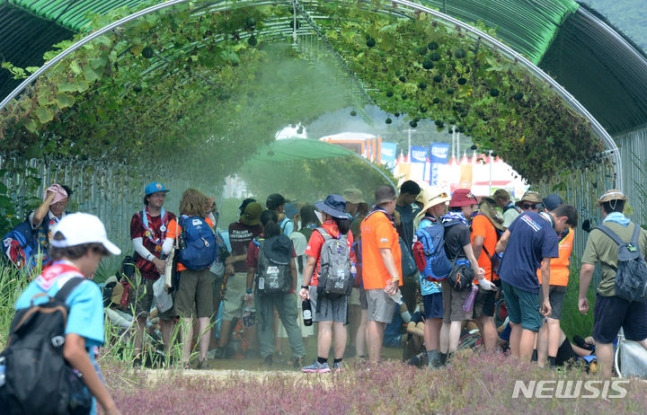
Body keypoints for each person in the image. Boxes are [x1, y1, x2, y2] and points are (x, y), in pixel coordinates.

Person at [15, 213, 122, 415]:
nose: (98, 263)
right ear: (90, 250)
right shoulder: (85, 290)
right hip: (66, 399)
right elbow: (73, 350)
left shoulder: (36, 286)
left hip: (25, 395)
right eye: (100, 255)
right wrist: (109, 406)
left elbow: (15, 343)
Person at [496, 201, 577, 361]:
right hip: (525, 280)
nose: (563, 231)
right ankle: (524, 369)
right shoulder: (550, 234)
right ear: (562, 219)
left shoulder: (525, 215)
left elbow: (503, 240)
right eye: (565, 227)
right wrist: (545, 299)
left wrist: (505, 250)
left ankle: (514, 362)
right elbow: (545, 268)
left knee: (515, 322)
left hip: (506, 274)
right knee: (531, 325)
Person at [578, 189, 647, 377]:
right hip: (637, 294)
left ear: (602, 209)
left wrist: (582, 296)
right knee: (642, 336)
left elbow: (587, 268)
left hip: (611, 294)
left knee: (603, 339)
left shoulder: (597, 234)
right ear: (624, 207)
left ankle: (604, 385)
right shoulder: (640, 232)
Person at [300, 194, 355, 372]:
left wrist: (304, 286)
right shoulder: (348, 234)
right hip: (342, 283)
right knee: (339, 323)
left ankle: (322, 363)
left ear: (326, 213)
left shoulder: (319, 233)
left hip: (321, 283)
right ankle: (338, 363)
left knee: (325, 324)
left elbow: (310, 262)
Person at [245, 210, 306, 368]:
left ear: (261, 224)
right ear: (277, 223)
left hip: (263, 289)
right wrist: (292, 288)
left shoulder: (256, 243)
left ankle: (267, 357)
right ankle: (299, 356)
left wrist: (249, 290)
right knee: (290, 322)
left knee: (265, 322)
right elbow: (292, 267)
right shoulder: (286, 241)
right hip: (284, 288)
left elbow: (251, 269)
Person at [163, 188, 215, 369]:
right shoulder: (206, 222)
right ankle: (203, 359)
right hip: (205, 271)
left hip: (185, 271)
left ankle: (184, 360)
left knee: (185, 316)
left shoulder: (176, 222)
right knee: (204, 316)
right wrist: (208, 210)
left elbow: (165, 249)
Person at [438, 189, 489, 363]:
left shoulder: (442, 224)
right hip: (461, 275)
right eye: (472, 206)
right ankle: (452, 358)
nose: (473, 210)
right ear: (463, 206)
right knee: (457, 318)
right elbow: (470, 255)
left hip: (446, 274)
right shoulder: (462, 228)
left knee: (446, 318)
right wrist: (478, 272)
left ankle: (442, 356)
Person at [130, 181, 177, 364]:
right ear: (148, 198)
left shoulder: (171, 217)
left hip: (165, 274)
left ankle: (169, 355)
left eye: (163, 195)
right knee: (140, 316)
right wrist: (154, 260)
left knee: (167, 317)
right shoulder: (138, 217)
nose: (160, 198)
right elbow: (137, 244)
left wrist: (164, 262)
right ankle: (136, 355)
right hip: (143, 272)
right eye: (157, 195)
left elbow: (173, 241)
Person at [214, 199, 264, 358]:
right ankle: (251, 350)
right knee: (250, 311)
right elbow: (255, 252)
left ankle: (221, 349)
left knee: (229, 312)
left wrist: (233, 260)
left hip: (235, 275)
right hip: (251, 274)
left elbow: (236, 251)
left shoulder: (232, 227)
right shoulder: (258, 229)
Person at [360, 185, 402, 363]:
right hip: (382, 278)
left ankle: (373, 361)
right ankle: (374, 363)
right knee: (378, 321)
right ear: (391, 201)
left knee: (375, 319)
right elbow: (385, 251)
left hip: (371, 277)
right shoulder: (382, 221)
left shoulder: (367, 219)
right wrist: (394, 277)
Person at [535, 194, 574, 368]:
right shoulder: (570, 230)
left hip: (542, 276)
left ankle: (539, 361)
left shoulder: (544, 227)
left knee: (541, 320)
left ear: (546, 210)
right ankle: (552, 360)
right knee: (554, 320)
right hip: (561, 278)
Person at [414, 186, 450, 368]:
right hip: (436, 282)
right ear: (431, 207)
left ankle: (432, 358)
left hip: (427, 280)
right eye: (440, 204)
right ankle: (435, 359)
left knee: (432, 319)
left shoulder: (423, 225)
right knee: (435, 320)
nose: (444, 206)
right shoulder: (433, 227)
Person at [470, 196, 505, 352]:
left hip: (483, 275)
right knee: (481, 316)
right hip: (491, 275)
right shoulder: (492, 223)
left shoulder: (479, 220)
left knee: (486, 318)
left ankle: (490, 356)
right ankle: (488, 350)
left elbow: (478, 243)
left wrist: (473, 265)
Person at [343, 188, 370, 359]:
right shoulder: (364, 219)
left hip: (358, 271)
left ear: (354, 204)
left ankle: (353, 344)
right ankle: (355, 343)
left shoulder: (355, 222)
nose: (345, 205)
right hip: (365, 270)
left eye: (347, 202)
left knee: (356, 310)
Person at [394, 180, 422, 313]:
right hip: (397, 258)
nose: (414, 200)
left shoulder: (415, 211)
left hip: (413, 259)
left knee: (410, 292)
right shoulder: (392, 210)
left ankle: (409, 324)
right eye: (413, 197)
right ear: (405, 194)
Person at [29, 183, 72, 263]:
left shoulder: (71, 218)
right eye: (55, 202)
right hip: (41, 264)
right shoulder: (40, 215)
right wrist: (49, 197)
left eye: (61, 203)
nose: (57, 206)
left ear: (67, 201)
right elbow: (37, 218)